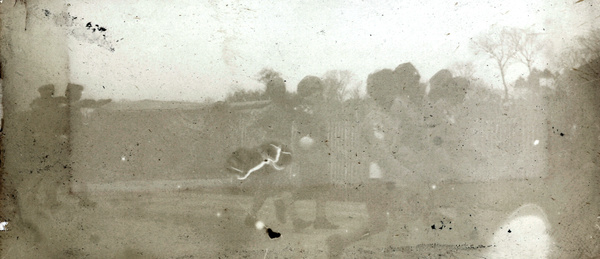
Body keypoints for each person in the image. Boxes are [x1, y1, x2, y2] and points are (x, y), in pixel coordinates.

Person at [289, 75, 339, 230]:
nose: (317, 93)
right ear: (306, 92)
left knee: (322, 186)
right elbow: (303, 133)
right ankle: (284, 202)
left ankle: (320, 219)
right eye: (313, 90)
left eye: (318, 89)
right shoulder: (305, 108)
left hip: (318, 151)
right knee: (306, 187)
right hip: (309, 153)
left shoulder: (317, 107)